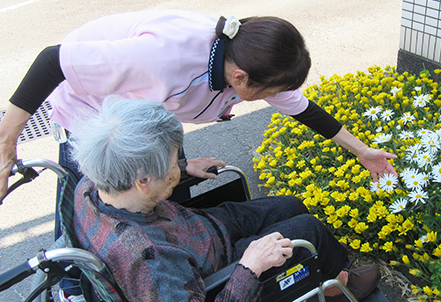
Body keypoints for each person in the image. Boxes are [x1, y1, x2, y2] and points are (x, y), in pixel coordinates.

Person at [0, 10, 397, 199]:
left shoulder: (246, 62)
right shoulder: (163, 58)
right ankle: (72, 286)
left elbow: (305, 110)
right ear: (241, 78)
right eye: (269, 91)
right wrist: (6, 146)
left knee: (168, 193)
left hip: (149, 114)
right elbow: (53, 60)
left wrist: (364, 152)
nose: (274, 98)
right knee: (95, 203)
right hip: (92, 109)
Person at [67, 97, 381, 302]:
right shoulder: (150, 261)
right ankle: (340, 287)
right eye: (173, 163)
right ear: (144, 181)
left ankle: (326, 274)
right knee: (308, 229)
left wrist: (183, 168)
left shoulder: (93, 183)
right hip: (218, 273)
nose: (178, 168)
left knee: (289, 205)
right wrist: (249, 267)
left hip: (197, 230)